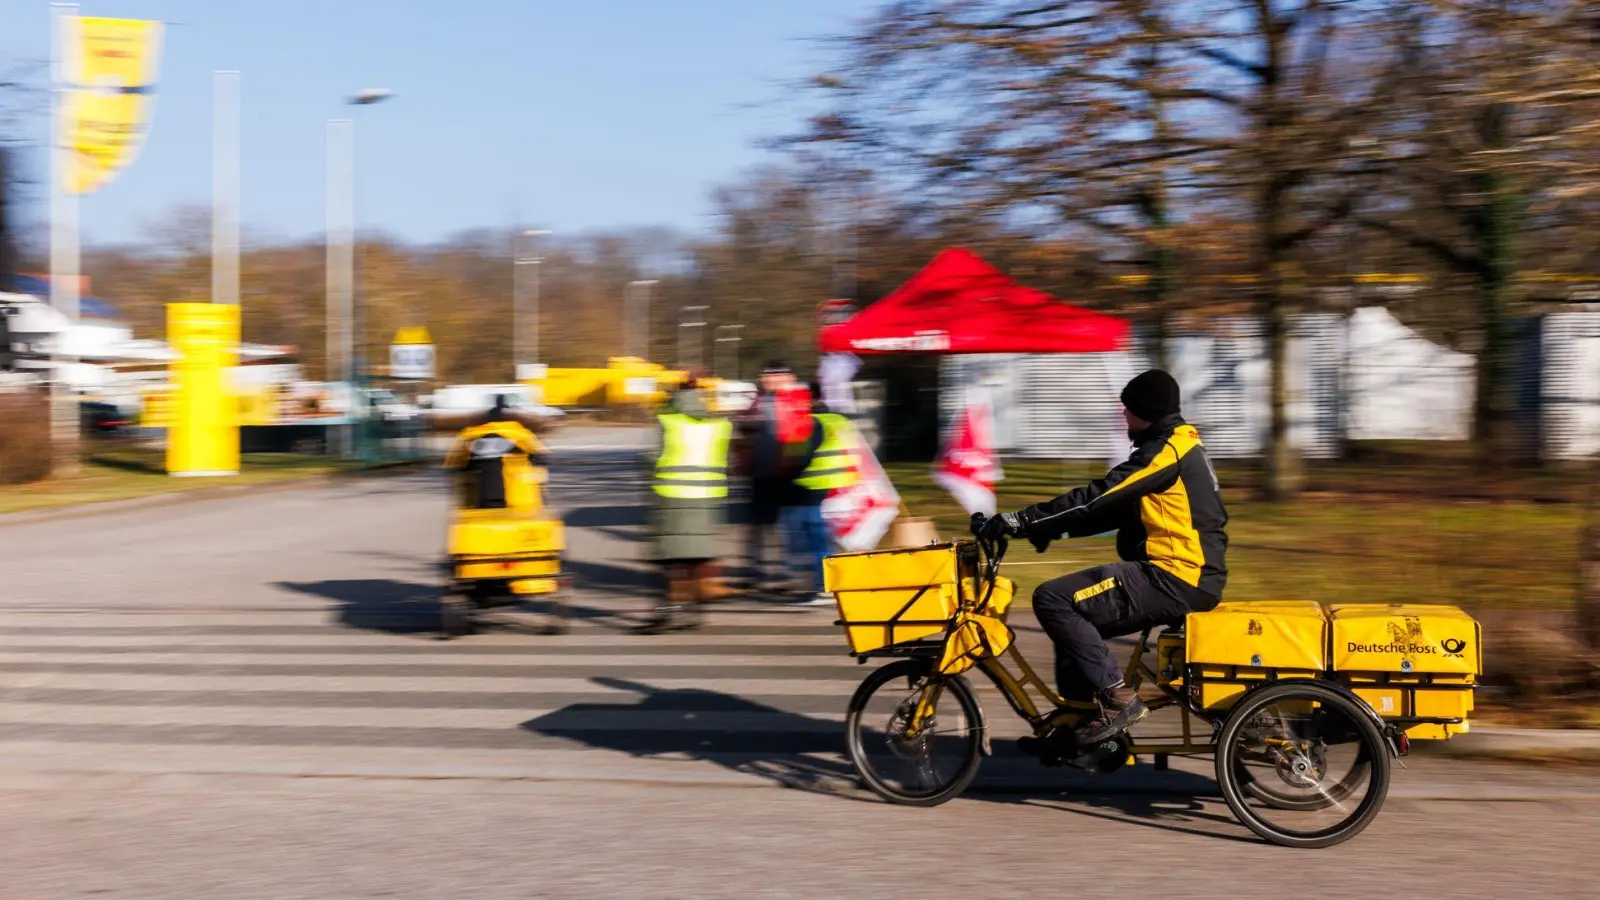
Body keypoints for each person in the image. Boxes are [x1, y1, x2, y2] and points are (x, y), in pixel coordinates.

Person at [980, 369, 1227, 750]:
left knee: (1054, 599)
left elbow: (1100, 497)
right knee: (1073, 626)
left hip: (1173, 576)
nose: (1123, 417)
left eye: (1127, 409)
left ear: (1146, 410)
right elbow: (1115, 513)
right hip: (1186, 575)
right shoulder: (1177, 444)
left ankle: (1116, 700)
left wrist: (1023, 518)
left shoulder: (1165, 453)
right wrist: (1042, 528)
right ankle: (1078, 729)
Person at [643, 378, 733, 633]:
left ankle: (665, 614)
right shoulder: (718, 426)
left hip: (673, 500)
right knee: (696, 561)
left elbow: (653, 458)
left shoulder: (669, 423)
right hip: (707, 500)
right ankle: (695, 614)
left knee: (668, 562)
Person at [784, 383, 859, 605]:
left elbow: (802, 455)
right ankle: (837, 586)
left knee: (817, 540)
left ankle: (823, 588)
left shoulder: (810, 422)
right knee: (833, 540)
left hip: (816, 487)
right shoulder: (839, 420)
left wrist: (788, 470)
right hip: (843, 485)